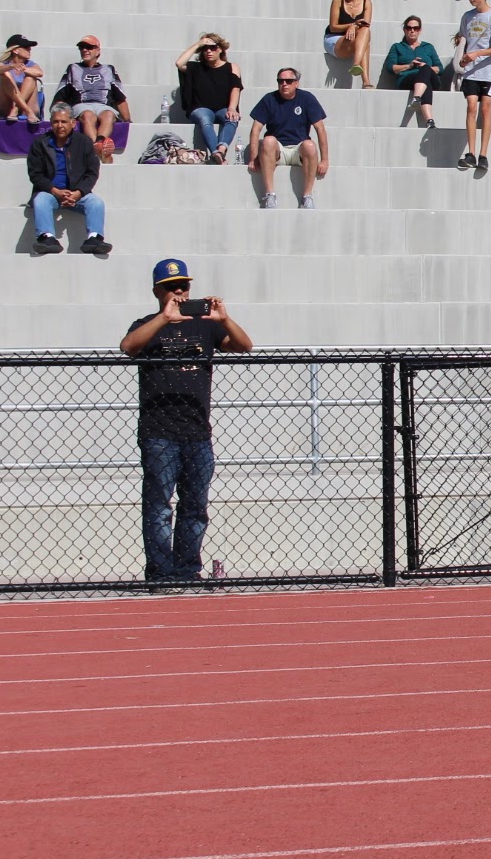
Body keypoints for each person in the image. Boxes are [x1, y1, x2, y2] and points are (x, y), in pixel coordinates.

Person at [120, 258, 254, 586]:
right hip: (158, 431)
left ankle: (186, 570)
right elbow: (128, 347)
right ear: (157, 291)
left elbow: (244, 346)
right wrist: (164, 318)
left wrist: (224, 318)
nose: (179, 292)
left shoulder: (205, 325)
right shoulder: (146, 323)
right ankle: (161, 573)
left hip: (197, 430)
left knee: (195, 507)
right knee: (159, 507)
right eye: (171, 287)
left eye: (183, 286)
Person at [25, 106, 109, 256]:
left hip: (77, 193)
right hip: (51, 192)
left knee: (96, 203)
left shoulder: (84, 142)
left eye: (64, 121)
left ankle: (95, 239)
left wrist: (78, 193)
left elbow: (92, 173)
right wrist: (55, 191)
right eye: (56, 122)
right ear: (50, 123)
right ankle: (47, 238)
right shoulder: (40, 143)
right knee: (40, 200)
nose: (60, 126)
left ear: (73, 123)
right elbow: (35, 174)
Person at [246, 68, 330, 209]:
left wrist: (325, 160)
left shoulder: (307, 98)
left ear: (296, 83)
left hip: (299, 150)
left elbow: (320, 129)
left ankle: (307, 196)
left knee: (309, 145)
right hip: (277, 151)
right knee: (268, 140)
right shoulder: (269, 99)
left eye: (288, 81)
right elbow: (256, 129)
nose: (284, 84)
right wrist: (253, 158)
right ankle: (270, 195)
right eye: (280, 81)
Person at [453, 0, 491, 170]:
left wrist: (478, 53)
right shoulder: (467, 17)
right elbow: (463, 41)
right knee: (471, 106)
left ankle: (483, 154)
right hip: (471, 71)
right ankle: (471, 153)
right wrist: (463, 58)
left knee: (486, 108)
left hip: (489, 71)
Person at [51, 35, 129, 161]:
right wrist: (57, 112)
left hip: (103, 105)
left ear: (98, 51)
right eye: (82, 47)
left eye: (89, 47)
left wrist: (128, 119)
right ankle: (99, 150)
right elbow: (61, 94)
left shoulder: (108, 69)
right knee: (88, 115)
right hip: (81, 105)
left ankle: (99, 143)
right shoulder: (73, 68)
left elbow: (119, 96)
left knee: (109, 114)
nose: (85, 50)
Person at [174, 33, 243, 164]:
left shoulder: (232, 67)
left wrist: (232, 108)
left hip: (223, 108)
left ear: (221, 49)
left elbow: (236, 88)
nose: (209, 51)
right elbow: (179, 63)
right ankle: (216, 153)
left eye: (213, 48)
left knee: (232, 118)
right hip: (200, 108)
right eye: (205, 49)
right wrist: (198, 44)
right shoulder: (196, 67)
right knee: (205, 120)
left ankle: (222, 148)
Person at [384, 15, 443, 124]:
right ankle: (429, 121)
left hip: (430, 76)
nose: (412, 31)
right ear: (404, 30)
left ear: (420, 30)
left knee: (425, 69)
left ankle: (416, 98)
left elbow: (440, 68)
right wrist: (409, 66)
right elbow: (390, 67)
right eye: (409, 28)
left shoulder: (428, 47)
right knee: (426, 83)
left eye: (415, 28)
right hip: (407, 78)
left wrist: (426, 67)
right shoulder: (397, 47)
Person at [324, 0, 373, 80]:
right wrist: (353, 24)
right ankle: (365, 79)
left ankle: (356, 65)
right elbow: (333, 27)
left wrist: (354, 27)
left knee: (366, 32)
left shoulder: (366, 3)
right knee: (365, 43)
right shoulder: (338, 0)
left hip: (353, 38)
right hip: (334, 38)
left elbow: (365, 25)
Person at [0, 34, 43, 122]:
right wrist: (11, 66)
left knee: (31, 78)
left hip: (26, 108)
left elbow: (40, 73)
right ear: (15, 50)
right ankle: (26, 110)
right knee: (5, 75)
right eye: (26, 47)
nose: (29, 49)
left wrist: (23, 69)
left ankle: (16, 109)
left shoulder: (30, 64)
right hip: (6, 107)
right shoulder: (5, 64)